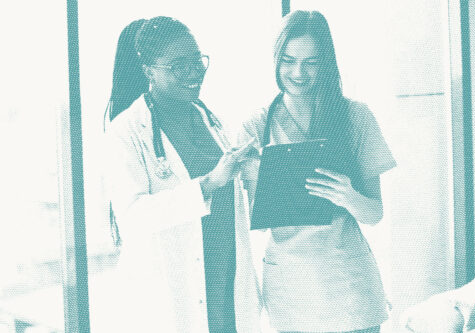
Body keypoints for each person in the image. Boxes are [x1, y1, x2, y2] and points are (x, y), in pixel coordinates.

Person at [239, 10, 396, 333]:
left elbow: (374, 213)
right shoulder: (255, 127)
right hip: (291, 292)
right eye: (289, 60)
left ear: (327, 62)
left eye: (311, 62)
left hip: (349, 288)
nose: (298, 72)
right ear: (275, 60)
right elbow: (254, 217)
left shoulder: (355, 117)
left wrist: (348, 196)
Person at [104, 17, 261, 333]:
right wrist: (208, 183)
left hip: (227, 283)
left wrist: (254, 171)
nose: (194, 72)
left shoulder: (213, 121)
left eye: (197, 61)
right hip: (170, 297)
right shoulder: (127, 131)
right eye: (178, 66)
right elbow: (132, 216)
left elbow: (238, 202)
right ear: (149, 71)